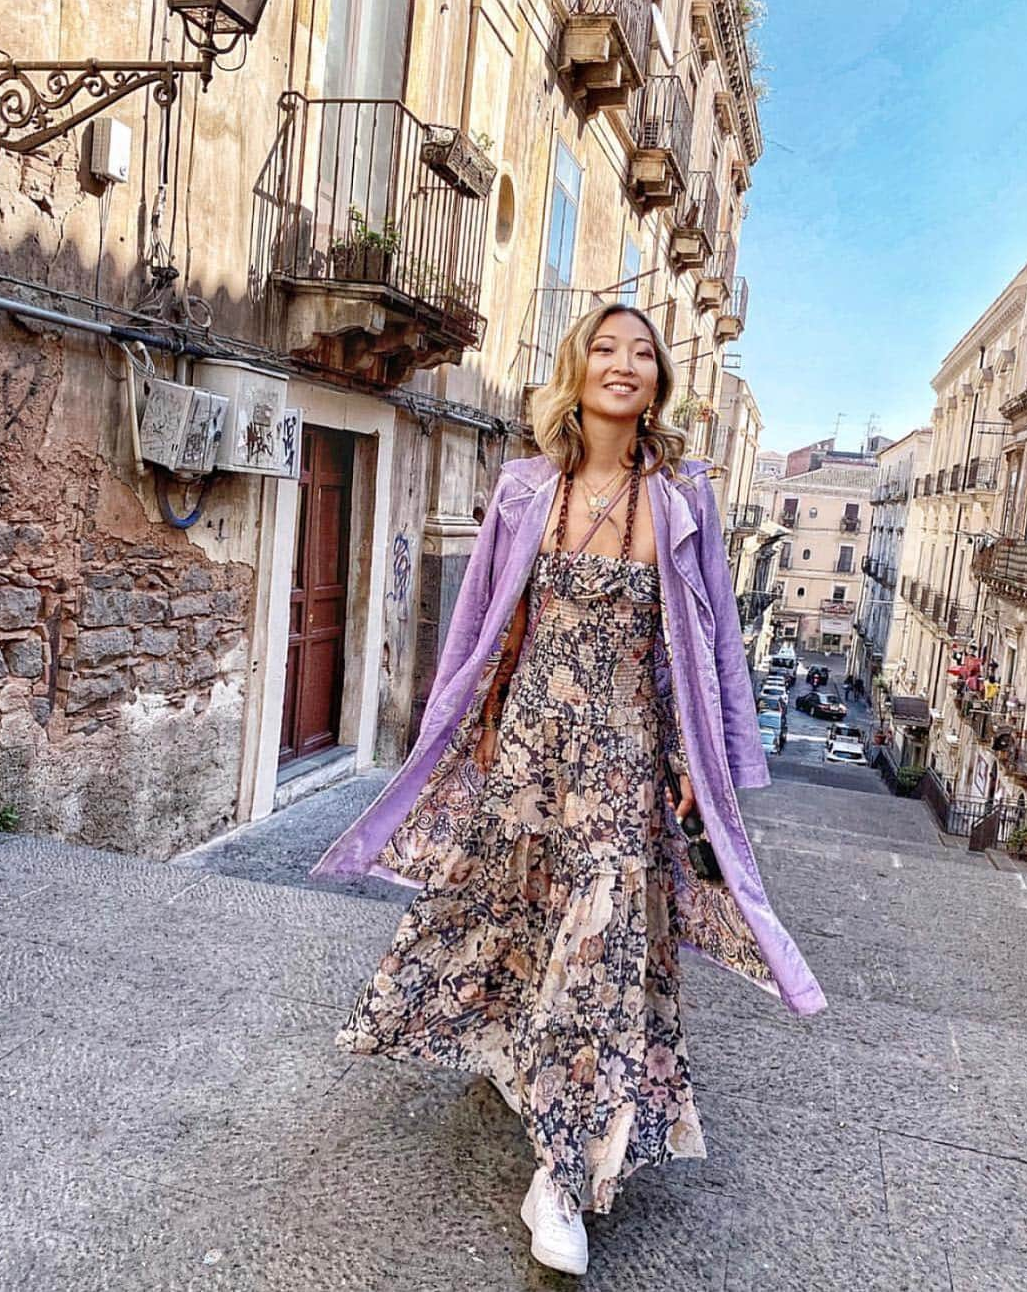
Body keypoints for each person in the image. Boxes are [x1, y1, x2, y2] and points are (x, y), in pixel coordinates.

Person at [309, 304, 826, 1276]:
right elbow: (486, 624)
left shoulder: (682, 496)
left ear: (660, 382)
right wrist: (464, 726)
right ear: (576, 368)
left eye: (643, 353)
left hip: (624, 766)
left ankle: (562, 1171)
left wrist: (703, 761)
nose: (624, 363)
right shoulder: (524, 489)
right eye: (607, 346)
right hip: (530, 754)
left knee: (603, 956)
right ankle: (521, 1057)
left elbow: (710, 638)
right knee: (515, 921)